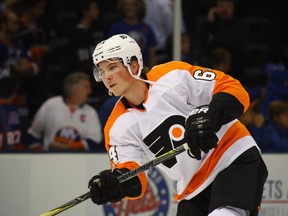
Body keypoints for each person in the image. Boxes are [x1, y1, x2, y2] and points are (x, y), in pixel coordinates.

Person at [88, 34, 268, 216]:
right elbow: (136, 179)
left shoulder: (172, 76)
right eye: (101, 72)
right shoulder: (115, 127)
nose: (106, 77)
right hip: (193, 189)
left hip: (233, 159)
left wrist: (210, 116)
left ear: (133, 65)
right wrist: (116, 184)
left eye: (112, 67)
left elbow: (234, 89)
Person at [27, 72, 103, 151]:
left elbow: (94, 142)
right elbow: (33, 134)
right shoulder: (50, 105)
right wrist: (37, 154)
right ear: (74, 89)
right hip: (50, 159)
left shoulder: (91, 112)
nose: (90, 91)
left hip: (79, 161)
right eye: (86, 87)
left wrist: (68, 147)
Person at [107, 0, 158, 68]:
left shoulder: (146, 29)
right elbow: (110, 54)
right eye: (126, 5)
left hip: (143, 72)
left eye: (133, 5)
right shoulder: (116, 28)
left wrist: (151, 73)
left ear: (139, 7)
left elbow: (152, 55)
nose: (129, 8)